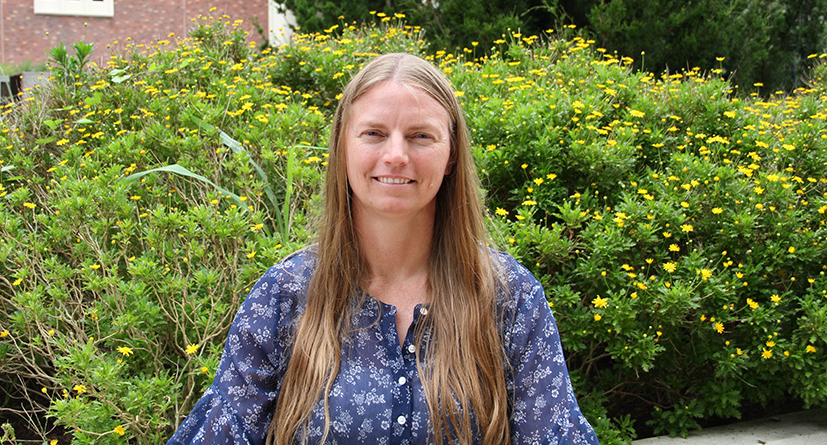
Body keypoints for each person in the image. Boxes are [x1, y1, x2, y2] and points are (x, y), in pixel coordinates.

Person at [167, 52, 599, 445]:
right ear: (342, 146)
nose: (395, 155)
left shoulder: (509, 298)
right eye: (374, 133)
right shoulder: (284, 297)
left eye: (420, 136)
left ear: (450, 155)